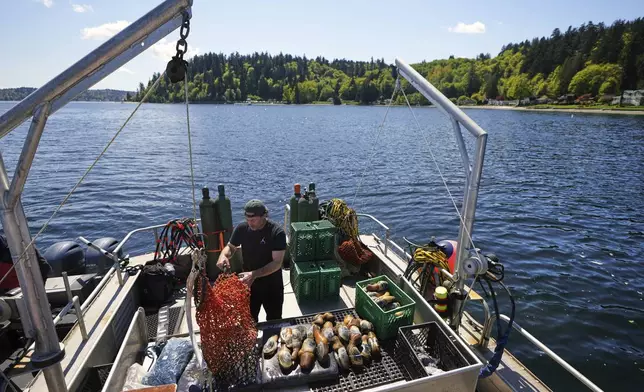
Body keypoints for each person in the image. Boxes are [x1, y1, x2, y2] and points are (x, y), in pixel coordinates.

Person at [216, 199, 286, 322]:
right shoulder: (242, 228)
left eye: (253, 220)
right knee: (248, 321)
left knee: (274, 321)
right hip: (248, 284)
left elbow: (277, 263)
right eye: (247, 220)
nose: (250, 223)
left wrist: (254, 274)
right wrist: (223, 255)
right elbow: (231, 247)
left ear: (264, 215)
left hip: (272, 285)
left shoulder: (276, 232)